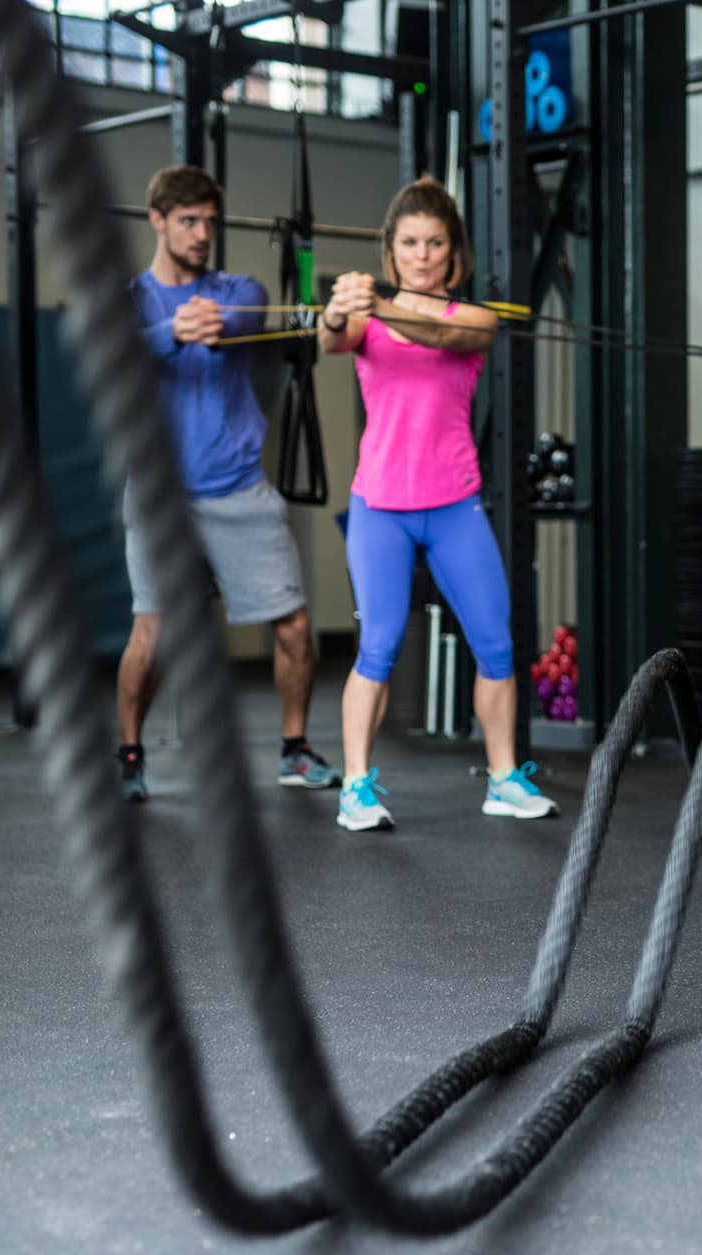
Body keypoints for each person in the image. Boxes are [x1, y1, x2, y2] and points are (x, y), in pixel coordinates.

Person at [318, 175, 555, 832]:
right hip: (380, 507)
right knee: (378, 647)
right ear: (391, 249)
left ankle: (504, 780)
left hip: (453, 504)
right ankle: (356, 788)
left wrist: (377, 303)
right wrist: (337, 310)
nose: (422, 254)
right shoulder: (366, 318)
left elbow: (441, 337)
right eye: (410, 243)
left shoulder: (475, 320)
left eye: (435, 243)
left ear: (454, 253)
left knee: (496, 645)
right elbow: (331, 340)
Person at [119, 165, 339, 802]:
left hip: (239, 487)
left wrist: (215, 323)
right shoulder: (133, 301)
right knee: (152, 634)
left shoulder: (236, 289)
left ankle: (294, 750)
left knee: (294, 628)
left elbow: (248, 315)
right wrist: (170, 332)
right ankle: (129, 756)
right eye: (188, 221)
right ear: (158, 221)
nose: (201, 233)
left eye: (210, 222)